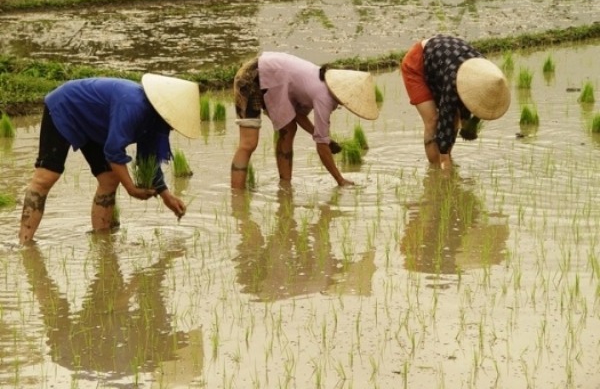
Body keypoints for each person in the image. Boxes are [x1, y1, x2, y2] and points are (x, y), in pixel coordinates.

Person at [18, 73, 201, 244]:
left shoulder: (155, 121)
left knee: (109, 178)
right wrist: (130, 188)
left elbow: (148, 158)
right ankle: (24, 244)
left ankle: (101, 242)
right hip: (66, 106)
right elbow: (113, 150)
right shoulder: (133, 105)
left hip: (95, 123)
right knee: (46, 177)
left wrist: (166, 196)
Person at [230, 51, 379, 189]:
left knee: (289, 129)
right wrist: (340, 180)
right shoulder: (324, 98)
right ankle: (237, 198)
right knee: (248, 143)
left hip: (267, 74)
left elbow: (298, 116)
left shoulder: (324, 83)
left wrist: (327, 140)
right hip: (251, 77)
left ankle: (285, 185)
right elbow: (321, 146)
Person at [400, 34, 510, 169]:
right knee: (433, 120)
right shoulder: (454, 80)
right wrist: (445, 160)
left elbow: (476, 102)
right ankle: (435, 169)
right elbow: (446, 115)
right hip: (417, 63)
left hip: (443, 63)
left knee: (455, 119)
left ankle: (441, 160)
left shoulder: (486, 74)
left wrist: (466, 121)